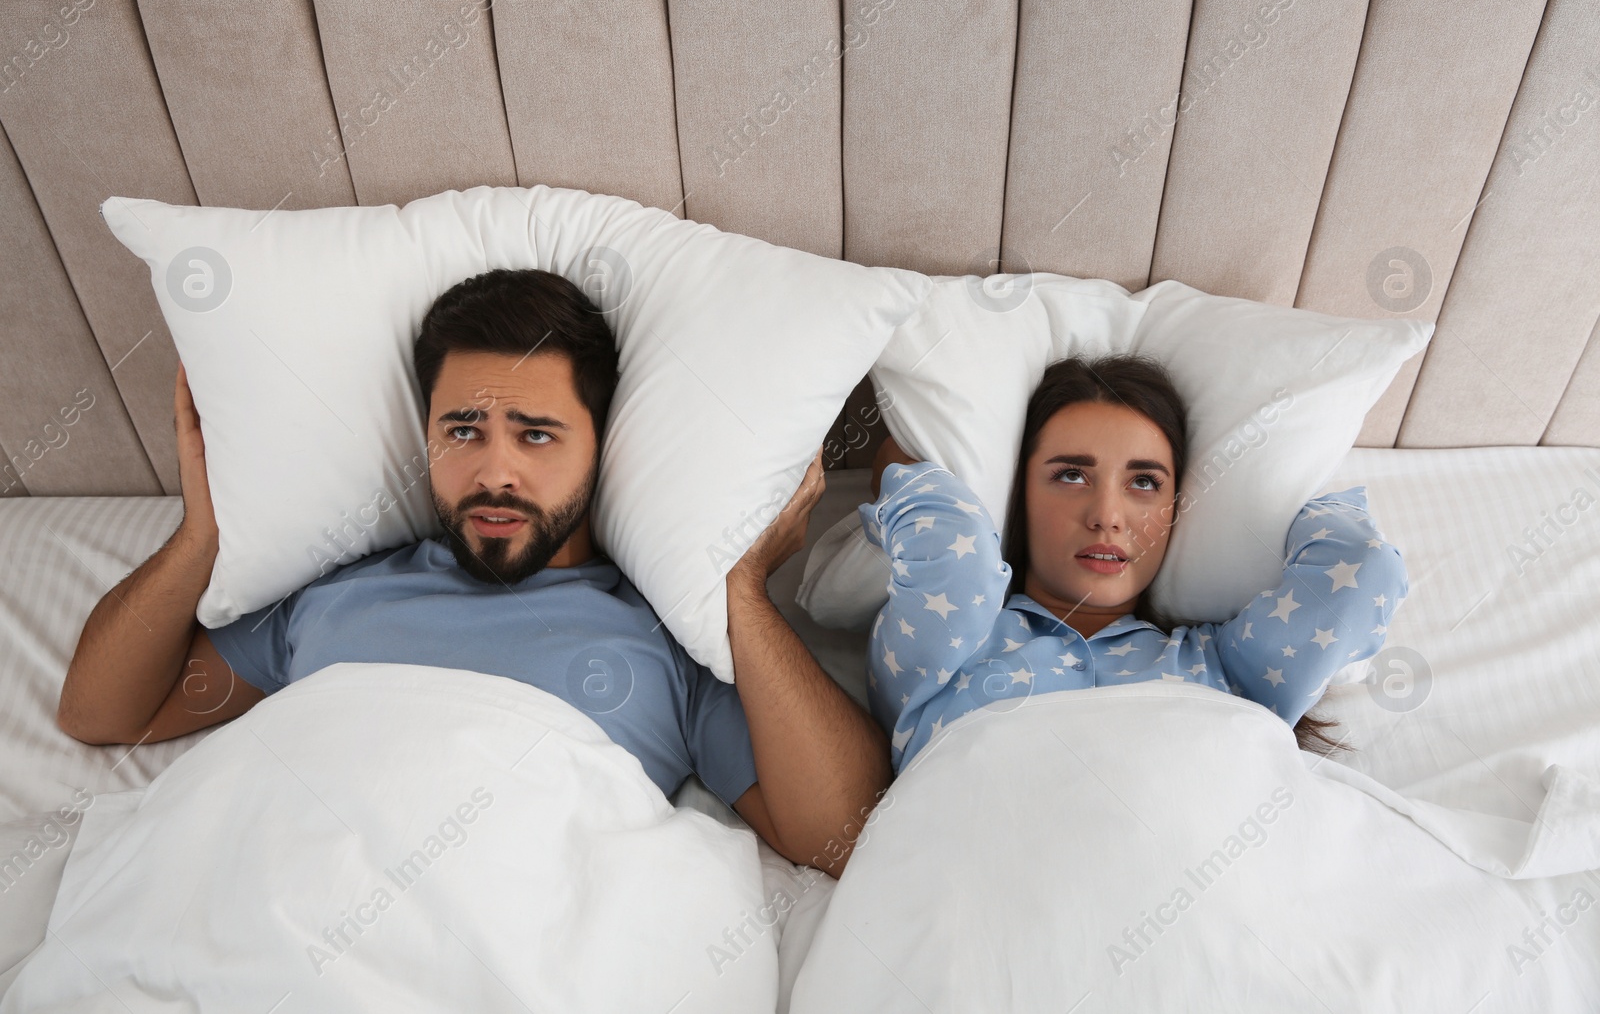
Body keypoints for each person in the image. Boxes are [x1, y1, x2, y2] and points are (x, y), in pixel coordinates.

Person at [56, 268, 890, 878]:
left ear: (602, 448)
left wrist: (741, 589)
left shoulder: (662, 642)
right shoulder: (330, 597)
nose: (494, 472)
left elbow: (843, 836)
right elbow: (101, 711)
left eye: (535, 434)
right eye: (463, 430)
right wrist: (203, 535)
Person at [863, 354, 1408, 772]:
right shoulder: (955, 649)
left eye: (1144, 483)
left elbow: (1362, 572)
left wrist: (1292, 497)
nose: (1107, 516)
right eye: (1070, 475)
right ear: (1018, 494)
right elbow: (954, 557)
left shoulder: (1229, 668)